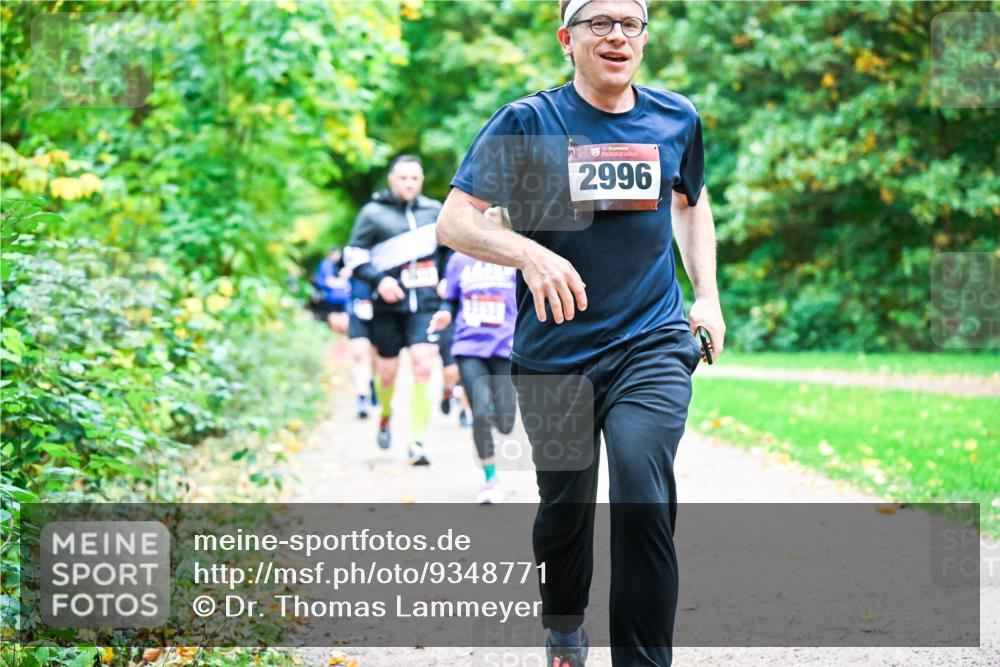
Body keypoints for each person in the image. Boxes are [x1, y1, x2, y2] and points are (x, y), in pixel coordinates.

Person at [436, 1, 726, 665]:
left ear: (644, 39)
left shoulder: (675, 117)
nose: (617, 35)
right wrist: (528, 253)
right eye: (600, 23)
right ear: (568, 39)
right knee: (563, 511)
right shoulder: (527, 122)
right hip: (555, 353)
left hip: (650, 341)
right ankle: (564, 624)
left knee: (641, 491)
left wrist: (706, 296)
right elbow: (455, 222)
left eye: (631, 23)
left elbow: (691, 203)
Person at [344, 155, 447, 465]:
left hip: (425, 304)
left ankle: (417, 442)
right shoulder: (373, 213)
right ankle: (386, 414)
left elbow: (450, 250)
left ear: (421, 181)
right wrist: (379, 281)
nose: (409, 184)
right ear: (391, 179)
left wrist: (446, 282)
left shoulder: (434, 211)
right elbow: (353, 255)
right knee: (387, 375)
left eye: (415, 179)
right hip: (388, 306)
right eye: (403, 178)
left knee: (424, 366)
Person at [428, 248, 518, 504]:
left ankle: (491, 407)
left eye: (492, 212)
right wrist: (445, 312)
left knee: (506, 423)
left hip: (505, 346)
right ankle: (491, 479)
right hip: (469, 346)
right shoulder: (460, 259)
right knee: (479, 412)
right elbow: (450, 300)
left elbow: (527, 300)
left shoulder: (514, 253)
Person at [346, 270, 378, 419]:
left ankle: (374, 385)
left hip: (381, 310)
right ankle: (361, 398)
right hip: (357, 308)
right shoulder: (354, 250)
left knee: (376, 356)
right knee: (359, 354)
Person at [311, 246, 351, 336]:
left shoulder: (330, 264)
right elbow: (328, 281)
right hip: (327, 296)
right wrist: (343, 283)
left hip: (331, 296)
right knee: (332, 317)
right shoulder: (327, 264)